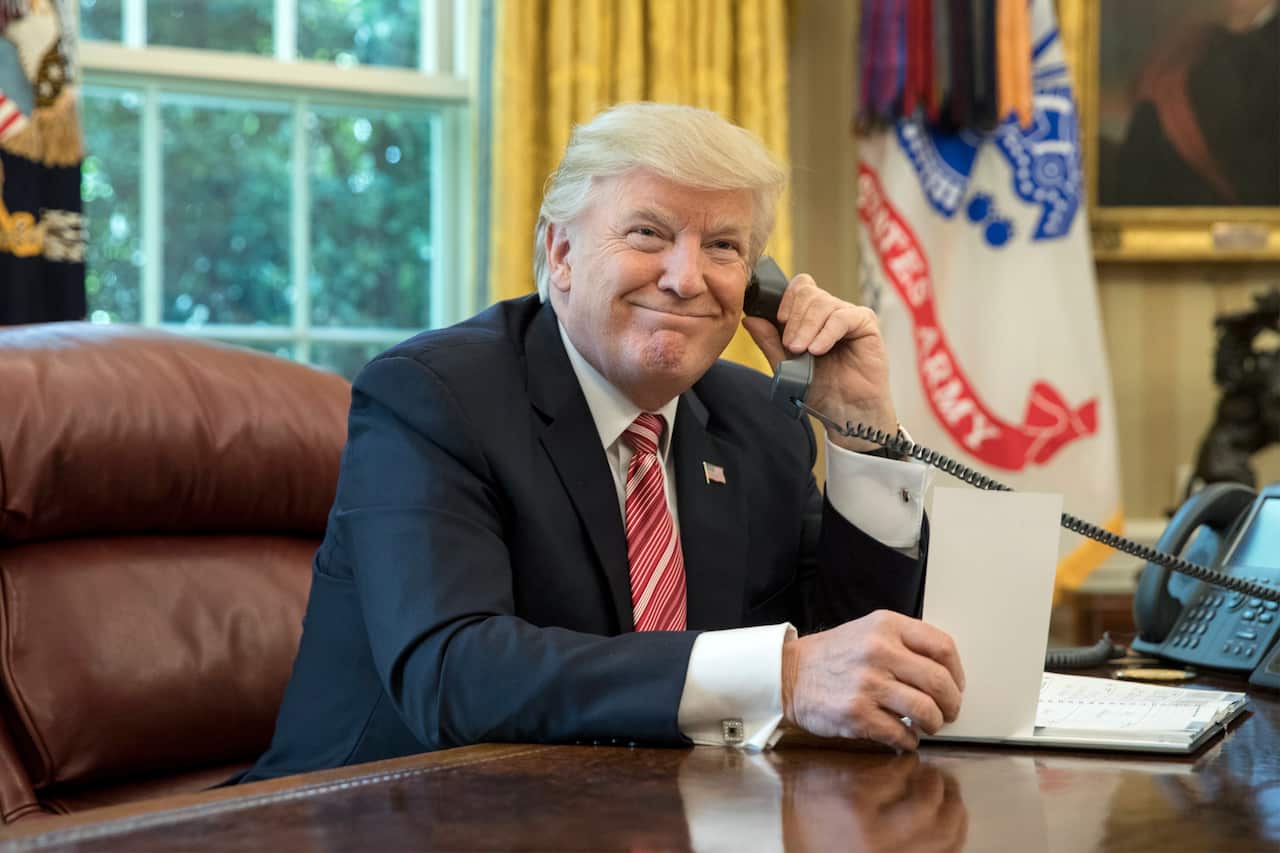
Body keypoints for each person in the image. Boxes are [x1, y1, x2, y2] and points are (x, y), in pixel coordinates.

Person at [242, 102, 964, 783]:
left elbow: (848, 664)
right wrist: (776, 674)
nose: (686, 278)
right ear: (560, 253)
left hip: (647, 811)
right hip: (377, 812)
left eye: (723, 247)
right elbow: (451, 672)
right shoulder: (434, 397)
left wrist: (861, 430)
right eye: (648, 233)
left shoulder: (760, 421)